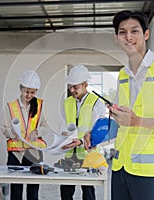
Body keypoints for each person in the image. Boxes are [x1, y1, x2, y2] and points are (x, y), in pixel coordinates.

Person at [84, 10, 154, 200]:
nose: (128, 37)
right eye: (122, 32)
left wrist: (138, 121)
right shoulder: (123, 75)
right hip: (121, 167)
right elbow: (122, 122)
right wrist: (95, 135)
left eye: (134, 31)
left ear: (146, 34)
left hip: (149, 172)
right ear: (117, 38)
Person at [60, 64, 106, 200]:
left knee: (88, 193)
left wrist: (80, 141)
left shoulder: (97, 103)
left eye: (76, 87)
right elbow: (63, 126)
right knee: (66, 193)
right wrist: (63, 138)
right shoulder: (67, 103)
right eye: (70, 86)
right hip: (69, 155)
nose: (72, 90)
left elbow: (98, 133)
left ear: (85, 85)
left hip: (87, 155)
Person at [1, 70, 45, 200]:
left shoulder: (41, 105)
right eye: (27, 91)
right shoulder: (10, 106)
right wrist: (12, 132)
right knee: (16, 190)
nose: (29, 95)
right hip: (16, 153)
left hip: (34, 153)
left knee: (33, 191)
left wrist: (37, 132)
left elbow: (46, 126)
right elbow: (4, 128)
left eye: (33, 92)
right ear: (21, 89)